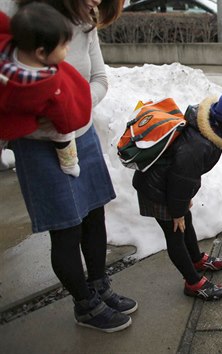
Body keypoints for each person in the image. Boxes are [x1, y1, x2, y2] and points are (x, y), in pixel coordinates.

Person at [9, 0, 136, 333]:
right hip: (38, 145)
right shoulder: (22, 16)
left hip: (82, 133)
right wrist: (49, 118)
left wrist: (70, 106)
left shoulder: (85, 20)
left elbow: (99, 79)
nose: (97, 2)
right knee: (66, 227)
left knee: (94, 214)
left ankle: (99, 285)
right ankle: (85, 304)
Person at [132, 91, 222, 301]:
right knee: (175, 234)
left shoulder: (209, 132)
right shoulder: (197, 145)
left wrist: (183, 204)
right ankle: (193, 282)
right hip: (158, 190)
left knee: (185, 221)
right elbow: (181, 178)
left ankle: (196, 259)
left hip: (171, 187)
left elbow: (185, 176)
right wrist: (177, 210)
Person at [0, 2, 91, 178]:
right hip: (35, 125)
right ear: (41, 53)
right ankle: (69, 163)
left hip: (7, 119)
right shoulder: (49, 83)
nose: (68, 49)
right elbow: (65, 114)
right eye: (64, 46)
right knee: (62, 132)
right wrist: (68, 122)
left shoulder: (6, 50)